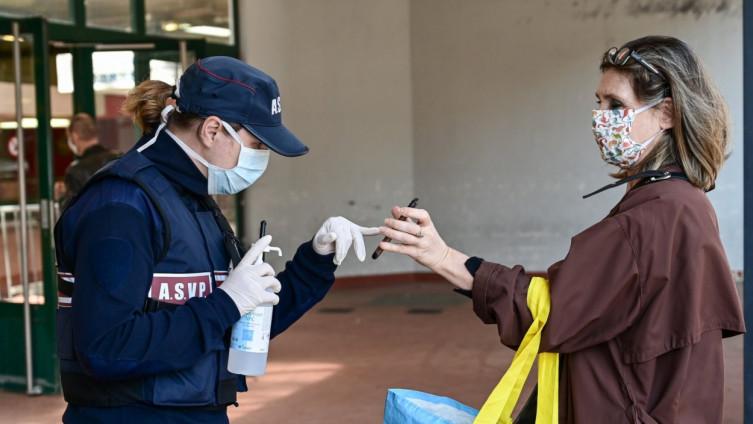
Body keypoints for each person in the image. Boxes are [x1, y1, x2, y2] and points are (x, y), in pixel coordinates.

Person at [378, 36, 745, 423]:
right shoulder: (686, 202)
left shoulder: (652, 217)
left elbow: (550, 311)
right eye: (599, 102)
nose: (600, 117)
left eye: (616, 105)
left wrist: (444, 257)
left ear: (667, 112)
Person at [54, 56, 379, 423]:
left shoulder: (192, 200)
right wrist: (226, 303)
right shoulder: (121, 205)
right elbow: (105, 348)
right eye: (257, 144)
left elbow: (239, 325)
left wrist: (317, 260)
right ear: (212, 130)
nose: (261, 157)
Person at [55, 113, 119, 207]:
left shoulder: (76, 171)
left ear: (74, 136)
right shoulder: (119, 157)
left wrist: (62, 197)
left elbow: (73, 214)